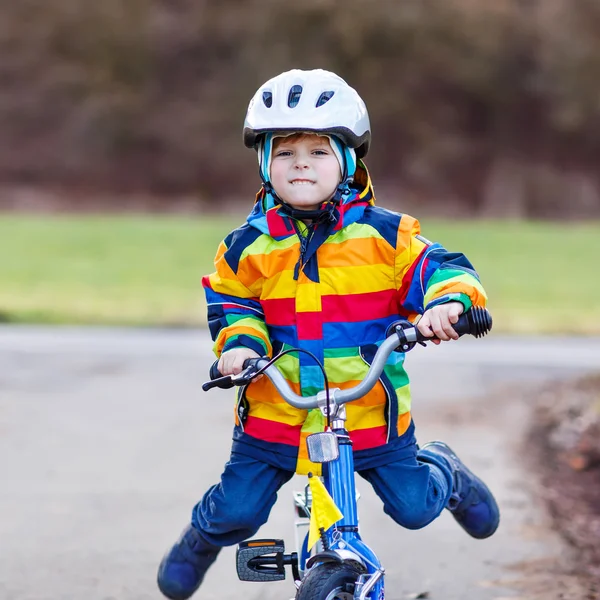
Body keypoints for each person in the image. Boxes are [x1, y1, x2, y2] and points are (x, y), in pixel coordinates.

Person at [157, 69, 500, 600]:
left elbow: (444, 268)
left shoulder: (386, 237)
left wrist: (448, 304)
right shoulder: (246, 245)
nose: (300, 164)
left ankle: (446, 472)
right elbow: (231, 301)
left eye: (317, 152)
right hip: (277, 411)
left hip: (369, 413)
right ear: (264, 163)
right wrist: (241, 345)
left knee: (414, 507)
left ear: (348, 161)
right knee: (236, 511)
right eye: (284, 152)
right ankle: (202, 539)